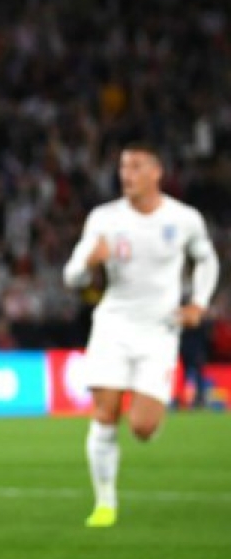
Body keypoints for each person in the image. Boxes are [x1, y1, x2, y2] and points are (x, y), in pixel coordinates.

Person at [63, 142, 218, 528]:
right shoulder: (104, 218)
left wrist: (198, 304)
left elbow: (207, 260)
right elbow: (71, 276)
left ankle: (143, 419)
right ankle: (105, 503)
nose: (126, 175)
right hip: (113, 326)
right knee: (105, 413)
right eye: (123, 167)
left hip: (159, 332)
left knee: (143, 428)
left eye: (136, 166)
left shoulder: (184, 218)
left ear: (156, 172)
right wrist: (87, 264)